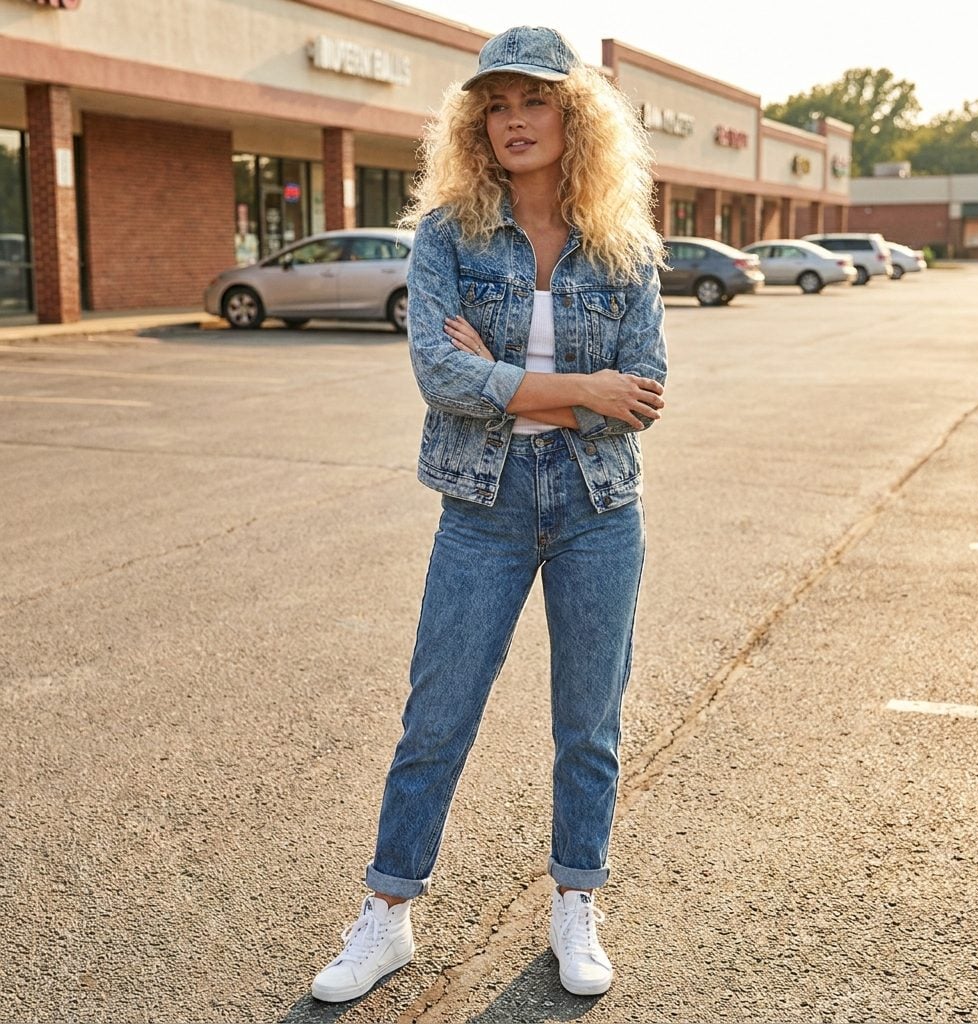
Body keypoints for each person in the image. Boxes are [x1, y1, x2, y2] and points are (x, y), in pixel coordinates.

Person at [310, 24, 667, 1003]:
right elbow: (437, 369)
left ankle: (574, 903)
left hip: (599, 505)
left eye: (534, 100)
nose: (514, 119)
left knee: (588, 725)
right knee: (437, 716)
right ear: (477, 123)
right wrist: (576, 385)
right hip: (485, 500)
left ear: (572, 115)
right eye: (497, 104)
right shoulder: (446, 236)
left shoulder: (624, 247)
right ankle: (387, 914)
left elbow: (642, 391)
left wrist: (504, 377)